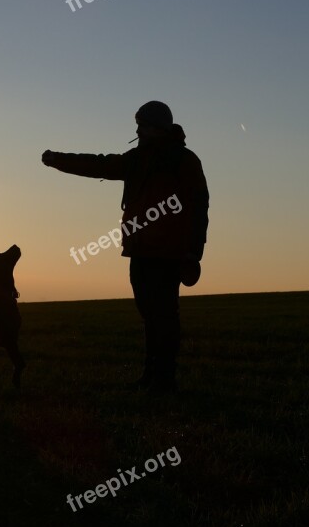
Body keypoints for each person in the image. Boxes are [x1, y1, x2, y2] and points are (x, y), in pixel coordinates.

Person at [41, 101, 209, 392]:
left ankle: (165, 379)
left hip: (169, 253)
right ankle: (150, 375)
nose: (137, 130)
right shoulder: (136, 159)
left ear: (157, 127)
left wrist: (194, 252)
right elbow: (99, 164)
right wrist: (59, 160)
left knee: (165, 315)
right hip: (140, 249)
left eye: (142, 124)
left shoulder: (185, 161)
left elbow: (199, 207)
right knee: (148, 314)